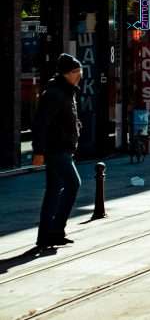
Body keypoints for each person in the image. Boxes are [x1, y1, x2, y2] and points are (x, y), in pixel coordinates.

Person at [33, 54, 83, 248]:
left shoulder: (68, 91)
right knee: (73, 183)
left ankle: (47, 235)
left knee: (53, 191)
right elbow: (40, 124)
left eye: (80, 71)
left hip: (64, 147)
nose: (79, 75)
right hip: (56, 149)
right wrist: (38, 151)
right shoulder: (54, 93)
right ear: (65, 73)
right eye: (75, 72)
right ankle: (55, 229)